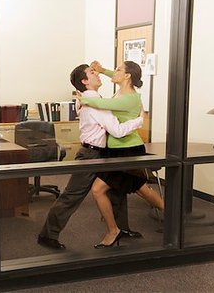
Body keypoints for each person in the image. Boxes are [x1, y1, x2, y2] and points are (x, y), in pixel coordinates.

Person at [37, 64, 144, 250]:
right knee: (72, 196)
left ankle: (121, 229)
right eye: (92, 73)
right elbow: (117, 131)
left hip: (100, 152)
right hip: (91, 155)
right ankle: (47, 235)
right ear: (85, 82)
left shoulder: (91, 98)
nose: (97, 74)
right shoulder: (94, 102)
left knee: (116, 190)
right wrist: (138, 121)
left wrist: (103, 70)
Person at [79, 60, 164, 249]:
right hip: (118, 148)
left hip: (128, 149)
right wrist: (103, 70)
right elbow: (114, 77)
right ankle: (171, 215)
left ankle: (113, 230)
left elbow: (102, 103)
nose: (113, 72)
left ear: (127, 76)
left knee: (98, 190)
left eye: (118, 69)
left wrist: (82, 98)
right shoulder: (123, 90)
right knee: (141, 188)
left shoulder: (130, 98)